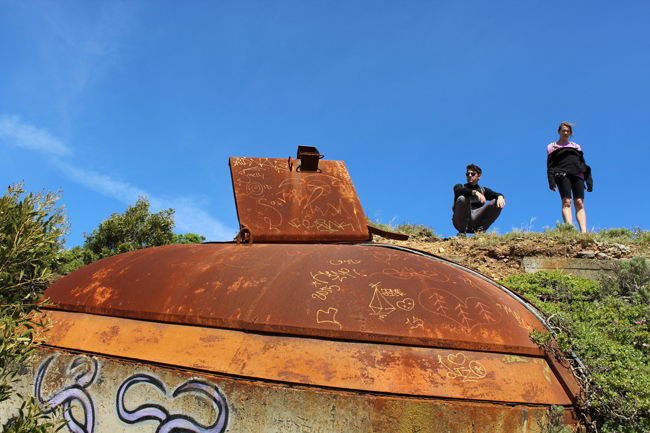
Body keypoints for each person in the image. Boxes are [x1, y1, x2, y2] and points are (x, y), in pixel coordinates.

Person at [546, 122, 593, 233]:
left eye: (568, 131)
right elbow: (550, 165)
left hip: (578, 174)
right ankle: (570, 230)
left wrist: (588, 180)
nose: (566, 133)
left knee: (579, 202)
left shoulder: (576, 146)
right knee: (567, 201)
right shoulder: (552, 146)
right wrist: (551, 182)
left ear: (570, 133)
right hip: (562, 174)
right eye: (563, 130)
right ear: (559, 132)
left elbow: (583, 163)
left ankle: (584, 233)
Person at [452, 164, 505, 236]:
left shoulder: (483, 190)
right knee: (462, 198)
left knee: (497, 201)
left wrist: (500, 196)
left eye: (473, 174)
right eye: (467, 174)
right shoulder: (460, 187)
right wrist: (474, 192)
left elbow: (496, 194)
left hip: (476, 219)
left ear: (479, 176)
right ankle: (462, 232)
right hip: (459, 221)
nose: (470, 175)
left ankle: (480, 233)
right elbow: (458, 190)